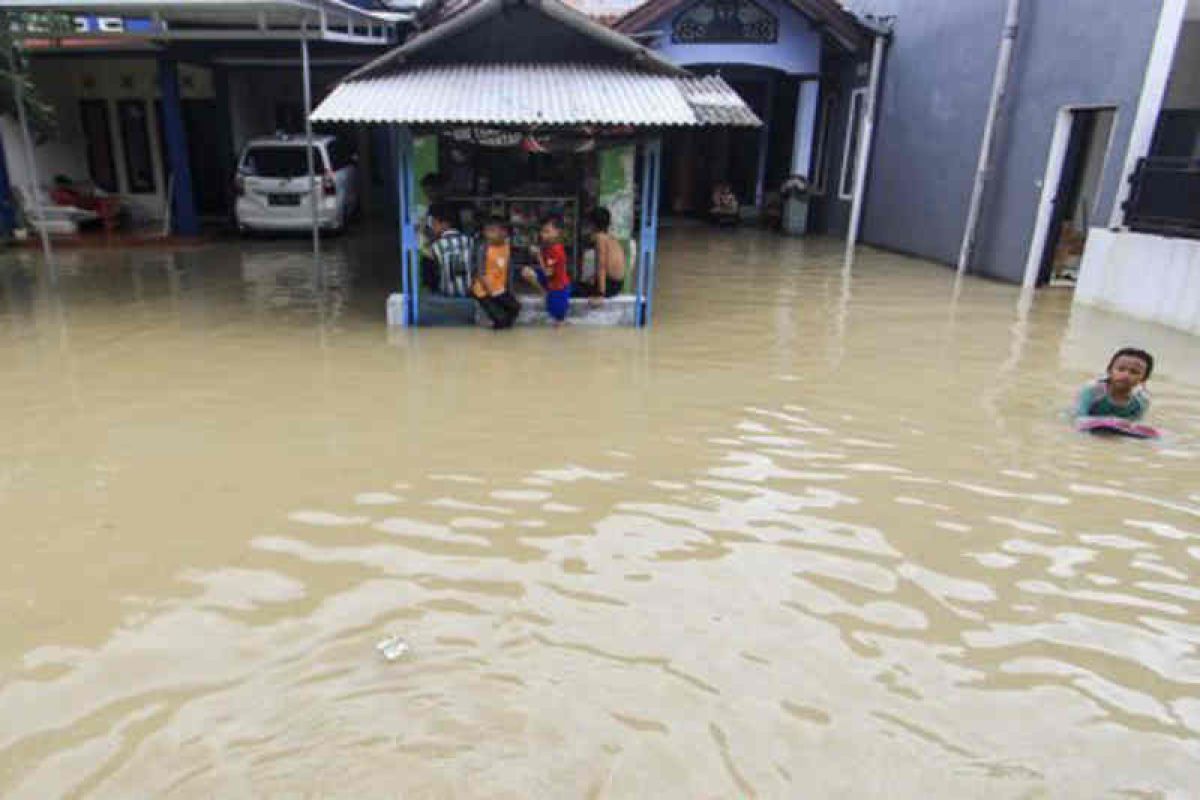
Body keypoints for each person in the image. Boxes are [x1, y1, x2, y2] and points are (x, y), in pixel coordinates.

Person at [1075, 348, 1154, 421]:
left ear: (1144, 379)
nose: (1126, 375)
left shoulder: (1141, 401)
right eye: (1121, 369)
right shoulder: (1092, 391)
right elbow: (1078, 417)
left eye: (1134, 372)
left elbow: (1135, 424)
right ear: (1109, 371)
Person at [471, 216, 521, 329]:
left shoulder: (507, 247)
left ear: (504, 232)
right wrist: (491, 293)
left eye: (493, 231)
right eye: (487, 231)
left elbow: (509, 272)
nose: (488, 235)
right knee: (501, 319)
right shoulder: (483, 248)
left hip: (500, 289)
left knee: (516, 307)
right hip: (483, 290)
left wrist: (509, 292)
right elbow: (480, 272)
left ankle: (502, 328)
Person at [521, 215, 572, 325]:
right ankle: (545, 293)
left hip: (558, 288)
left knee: (558, 321)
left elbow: (547, 273)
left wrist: (538, 255)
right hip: (554, 282)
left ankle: (546, 294)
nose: (542, 235)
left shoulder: (555, 250)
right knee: (526, 271)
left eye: (547, 231)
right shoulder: (550, 246)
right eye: (542, 231)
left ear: (557, 232)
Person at [574, 207, 626, 305]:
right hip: (616, 284)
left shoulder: (600, 239)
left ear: (592, 224)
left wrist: (600, 294)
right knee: (581, 284)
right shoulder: (611, 238)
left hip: (609, 286)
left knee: (572, 288)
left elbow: (601, 266)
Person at [428, 202, 473, 297]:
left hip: (447, 298)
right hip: (470, 297)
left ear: (445, 224)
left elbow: (432, 277)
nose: (432, 226)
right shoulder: (470, 241)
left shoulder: (435, 247)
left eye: (434, 223)